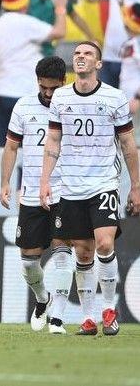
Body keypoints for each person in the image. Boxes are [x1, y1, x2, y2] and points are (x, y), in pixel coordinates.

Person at [40, 41, 140, 336]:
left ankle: (109, 309)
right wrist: (45, 181)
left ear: (98, 64)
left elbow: (128, 146)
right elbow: (53, 142)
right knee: (83, 254)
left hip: (104, 183)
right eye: (78, 54)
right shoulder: (60, 97)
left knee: (105, 244)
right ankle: (87, 317)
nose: (81, 57)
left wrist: (135, 187)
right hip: (70, 185)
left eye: (88, 54)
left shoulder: (115, 98)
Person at [0, 56, 69, 332]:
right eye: (44, 88)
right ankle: (43, 299)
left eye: (54, 88)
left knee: (63, 250)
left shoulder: (72, 105)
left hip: (65, 190)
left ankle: (58, 318)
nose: (49, 94)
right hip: (30, 192)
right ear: (37, 82)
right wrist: (5, 182)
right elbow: (11, 146)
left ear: (64, 82)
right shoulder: (24, 106)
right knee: (29, 259)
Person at [0, 0, 67, 146]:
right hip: (26, 91)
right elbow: (59, 32)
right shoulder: (26, 23)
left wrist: (6, 70)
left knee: (6, 145)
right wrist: (61, 8)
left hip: (1, 91)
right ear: (24, 4)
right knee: (31, 145)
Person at [119, 3, 140, 110]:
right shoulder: (131, 42)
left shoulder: (138, 43)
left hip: (135, 101)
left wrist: (137, 98)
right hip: (126, 97)